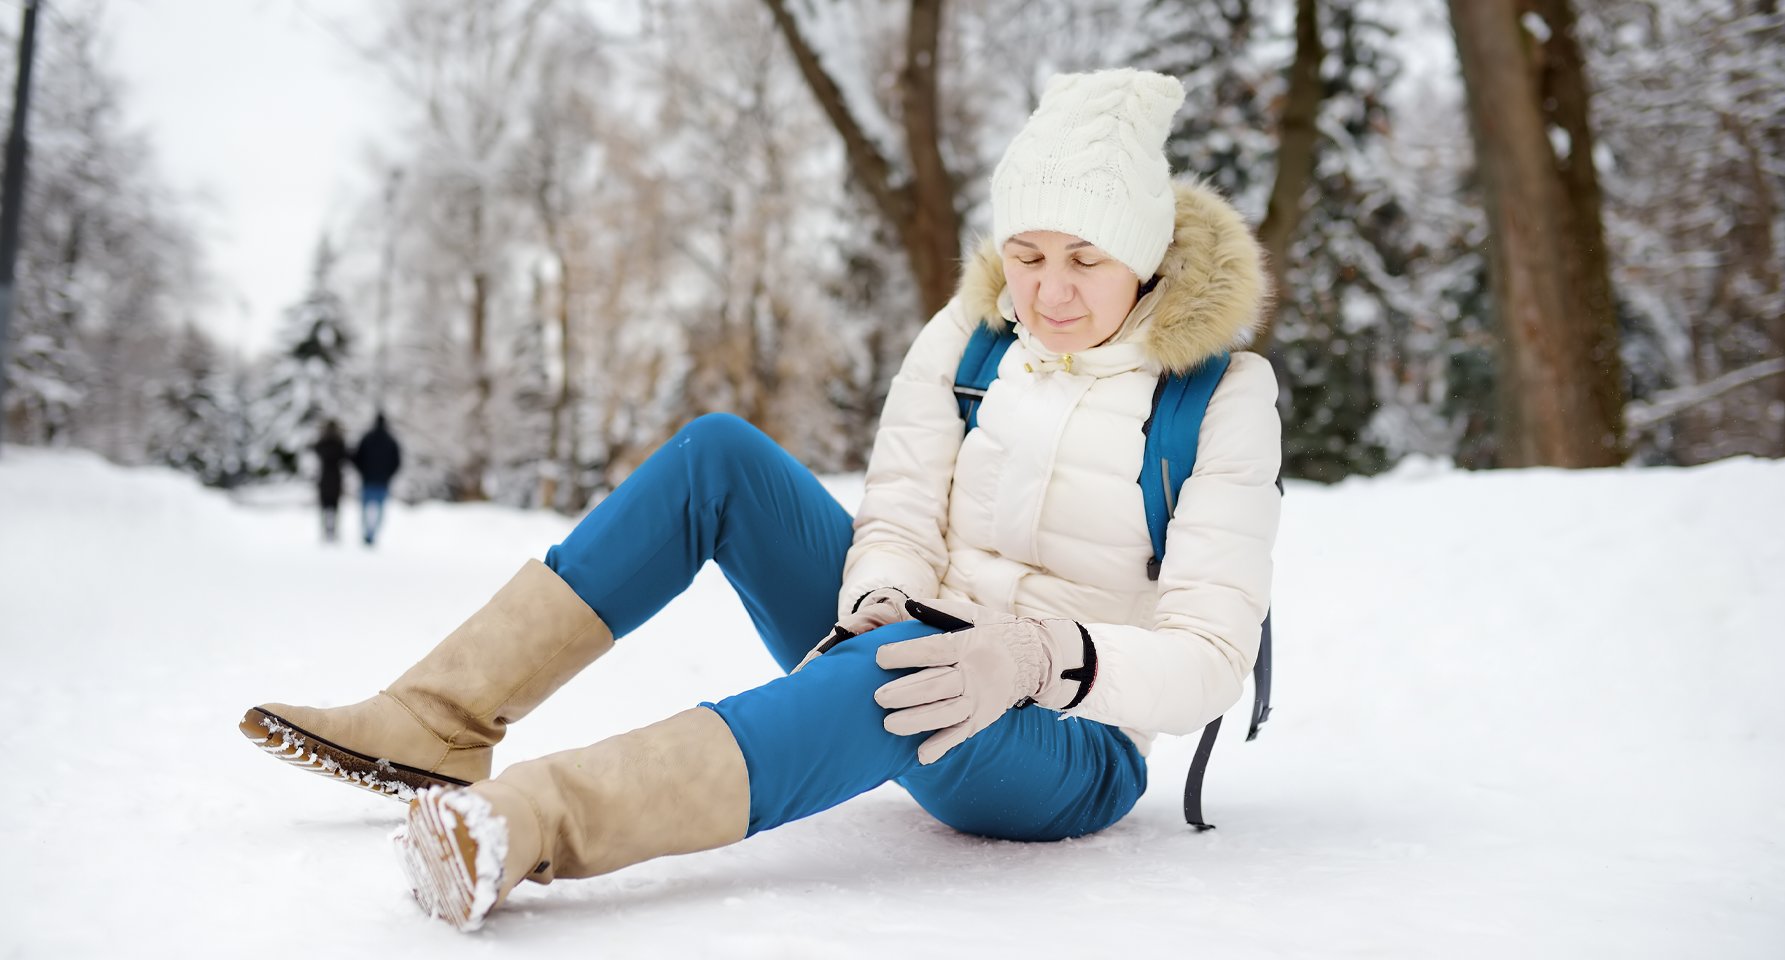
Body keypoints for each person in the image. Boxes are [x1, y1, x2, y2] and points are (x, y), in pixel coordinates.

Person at [239, 68, 1280, 932]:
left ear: (1142, 256)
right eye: (1028, 254)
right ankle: (437, 722)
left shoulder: (1221, 398)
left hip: (1067, 735)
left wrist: (1035, 653)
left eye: (1085, 261)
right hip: (917, 642)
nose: (1047, 291)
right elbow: (902, 513)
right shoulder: (970, 339)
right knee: (719, 457)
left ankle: (527, 826)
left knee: (895, 669)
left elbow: (1208, 655)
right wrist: (883, 592)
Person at [351, 413, 402, 546]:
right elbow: (397, 462)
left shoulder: (367, 438)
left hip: (367, 481)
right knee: (380, 511)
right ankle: (373, 534)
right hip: (382, 482)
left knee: (364, 510)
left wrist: (363, 473)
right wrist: (388, 475)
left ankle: (367, 533)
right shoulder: (391, 441)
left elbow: (357, 458)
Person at [313, 419, 348, 542]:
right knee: (335, 508)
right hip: (336, 479)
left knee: (324, 507)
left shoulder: (323, 443)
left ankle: (325, 531)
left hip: (324, 478)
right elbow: (346, 456)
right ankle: (334, 531)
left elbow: (316, 450)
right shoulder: (339, 443)